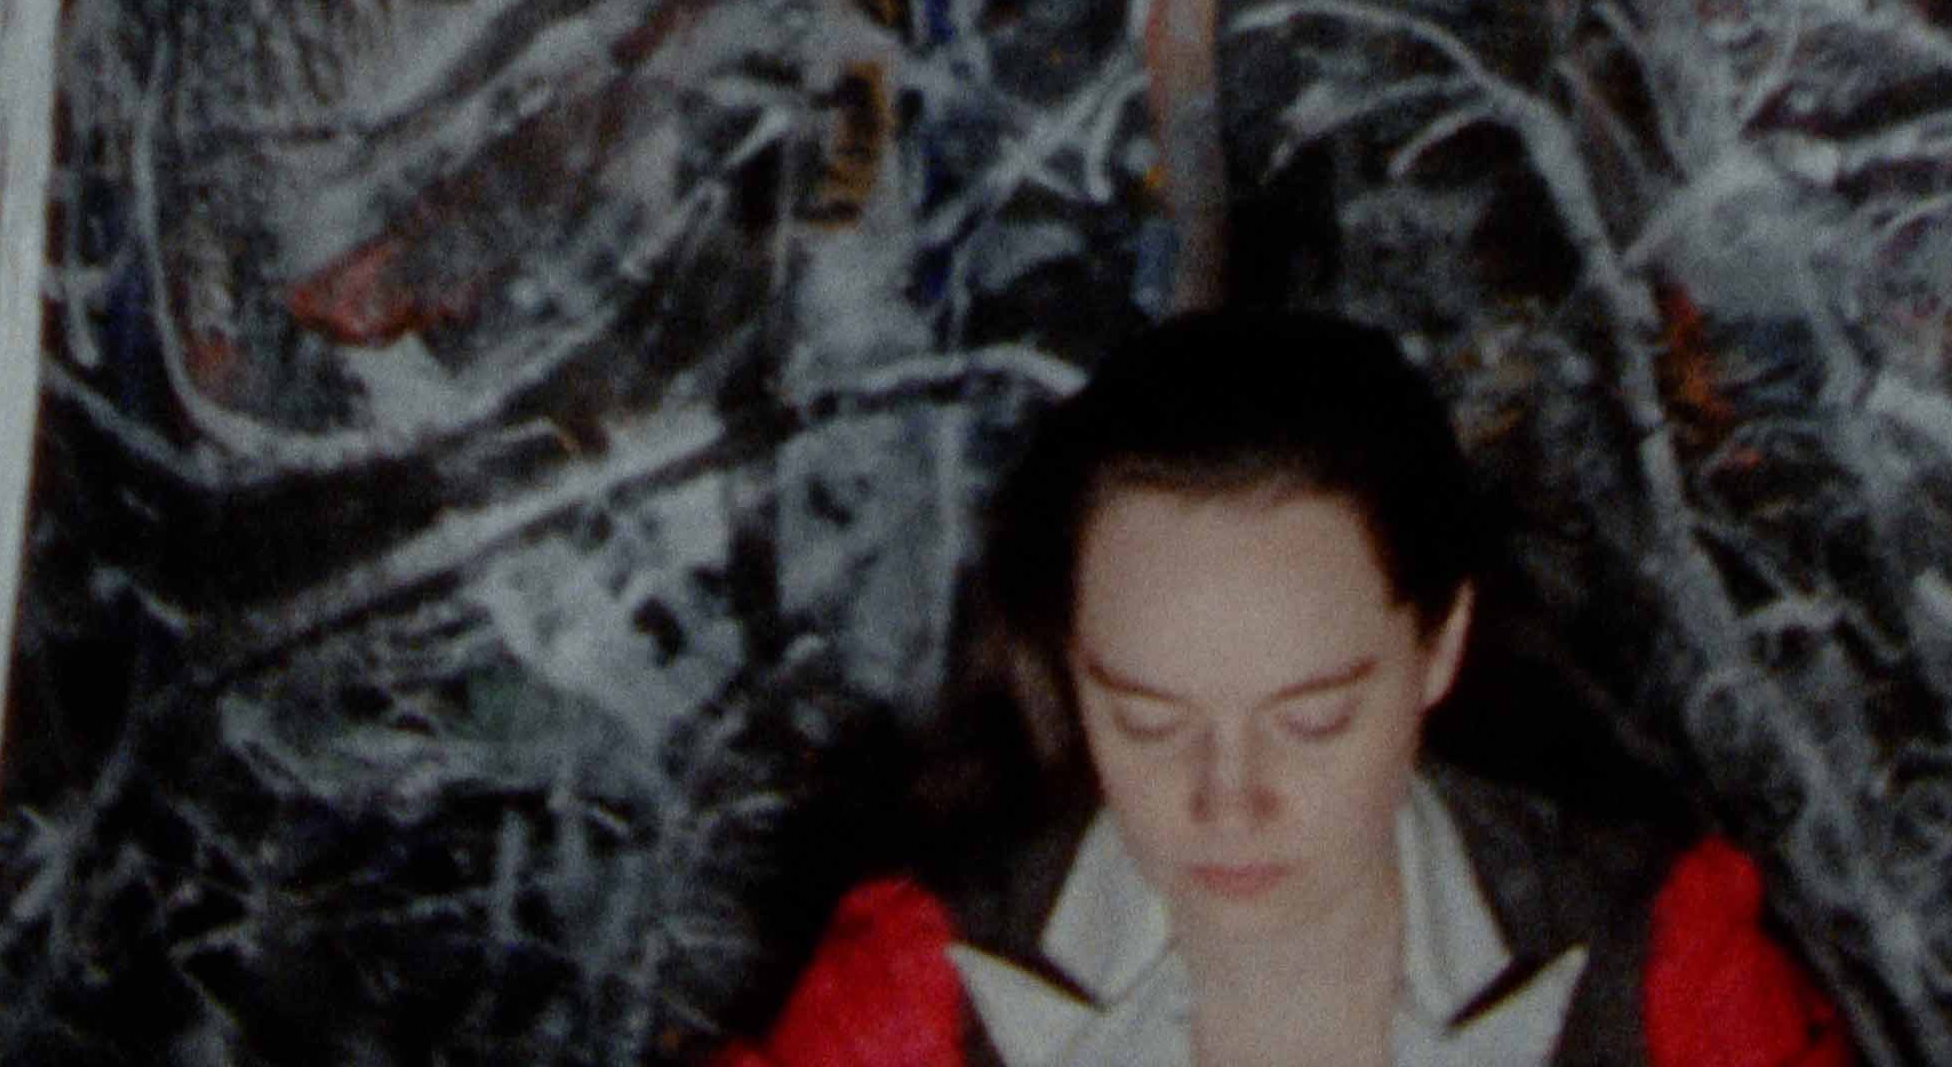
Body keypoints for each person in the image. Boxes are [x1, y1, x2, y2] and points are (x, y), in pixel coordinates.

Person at [722, 308, 1853, 1067]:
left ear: (1440, 645)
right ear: (1067, 664)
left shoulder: (1657, 964)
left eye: (1312, 720)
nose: (1227, 800)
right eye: (1146, 719)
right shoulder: (917, 993)